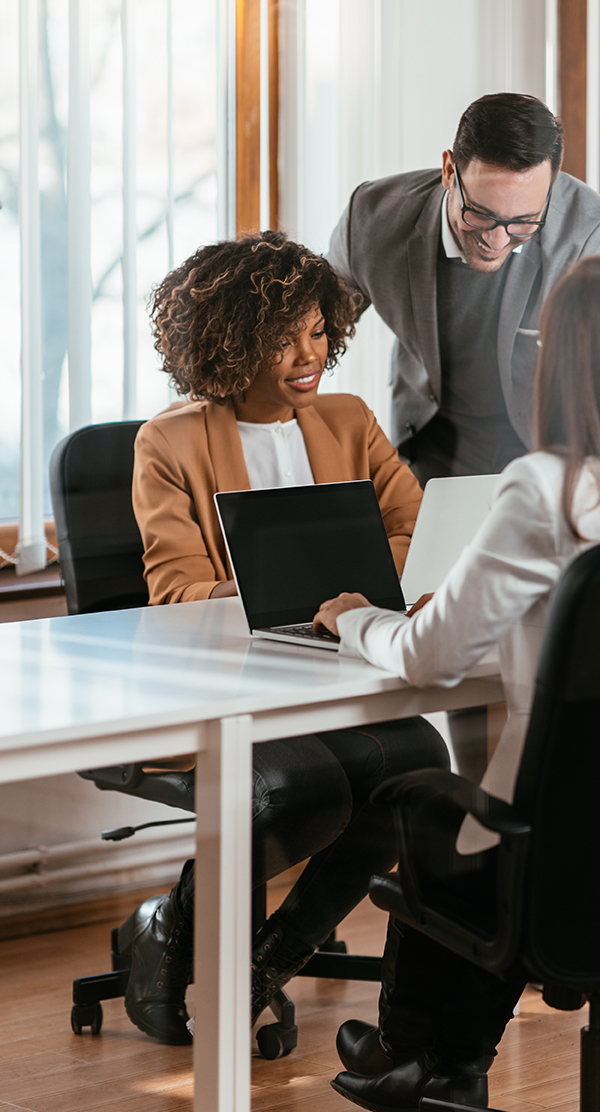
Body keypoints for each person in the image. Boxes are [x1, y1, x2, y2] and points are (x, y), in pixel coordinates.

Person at [313, 256, 600, 1111]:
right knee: (484, 829)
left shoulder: (545, 486)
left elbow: (430, 657)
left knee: (426, 802)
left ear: (560, 368)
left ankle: (410, 1051)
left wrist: (356, 616)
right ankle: (447, 1068)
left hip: (565, 840)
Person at [119, 233, 448, 1046]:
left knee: (417, 772)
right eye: (282, 337)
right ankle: (173, 926)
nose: (309, 356)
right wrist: (278, 595)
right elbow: (176, 591)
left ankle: (264, 961)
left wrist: (349, 591)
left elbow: (416, 528)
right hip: (229, 682)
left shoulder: (347, 419)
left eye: (317, 331)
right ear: (231, 341)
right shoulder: (170, 443)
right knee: (314, 791)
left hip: (340, 661)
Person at [328, 91, 600, 487]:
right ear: (449, 170)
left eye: (524, 222)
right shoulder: (373, 219)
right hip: (427, 452)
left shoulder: (593, 237)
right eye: (481, 215)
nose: (498, 239)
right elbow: (311, 329)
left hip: (546, 464)